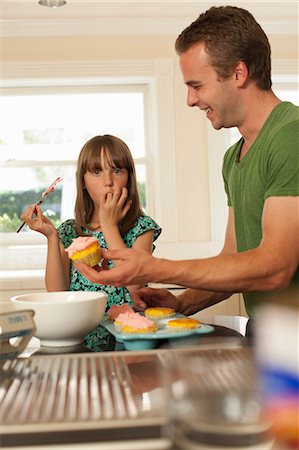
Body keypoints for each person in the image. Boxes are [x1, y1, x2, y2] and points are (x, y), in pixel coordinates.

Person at [75, 6, 299, 338]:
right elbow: (234, 260)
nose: (190, 100)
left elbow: (275, 269)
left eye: (196, 85)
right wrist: (182, 303)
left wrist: (155, 268)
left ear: (238, 73)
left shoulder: (289, 136)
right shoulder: (233, 159)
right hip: (271, 333)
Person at [20, 134, 161, 350]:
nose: (108, 181)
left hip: (127, 341)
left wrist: (109, 225)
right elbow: (57, 294)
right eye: (96, 172)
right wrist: (52, 237)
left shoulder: (141, 227)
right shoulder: (69, 231)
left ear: (128, 178)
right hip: (80, 341)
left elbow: (135, 286)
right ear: (83, 182)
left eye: (117, 170)